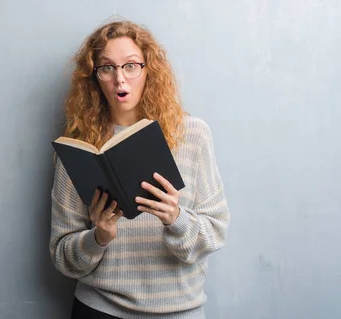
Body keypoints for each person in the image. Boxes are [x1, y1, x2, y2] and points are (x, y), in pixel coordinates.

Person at [49, 19, 231, 319]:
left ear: (149, 70)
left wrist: (176, 218)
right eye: (107, 67)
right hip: (100, 309)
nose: (120, 79)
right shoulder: (77, 149)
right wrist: (98, 238)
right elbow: (62, 255)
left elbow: (215, 232)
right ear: (94, 77)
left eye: (131, 65)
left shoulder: (193, 135)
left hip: (179, 311)